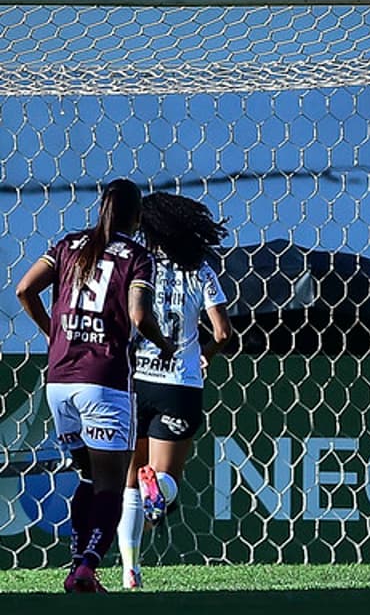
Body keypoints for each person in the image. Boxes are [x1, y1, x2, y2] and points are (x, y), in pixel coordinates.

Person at [14, 179, 176, 593]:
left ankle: (77, 564)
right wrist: (164, 344)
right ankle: (86, 567)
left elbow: (24, 289)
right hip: (103, 381)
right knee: (111, 481)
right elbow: (139, 317)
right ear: (137, 217)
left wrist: (54, 334)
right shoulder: (137, 257)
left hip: (59, 382)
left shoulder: (69, 246)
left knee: (87, 477)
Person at [117, 193, 233, 589]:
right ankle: (160, 485)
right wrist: (206, 354)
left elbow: (129, 316)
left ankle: (130, 571)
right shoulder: (201, 270)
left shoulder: (140, 266)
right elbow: (222, 333)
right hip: (179, 385)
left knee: (129, 482)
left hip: (136, 381)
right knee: (166, 483)